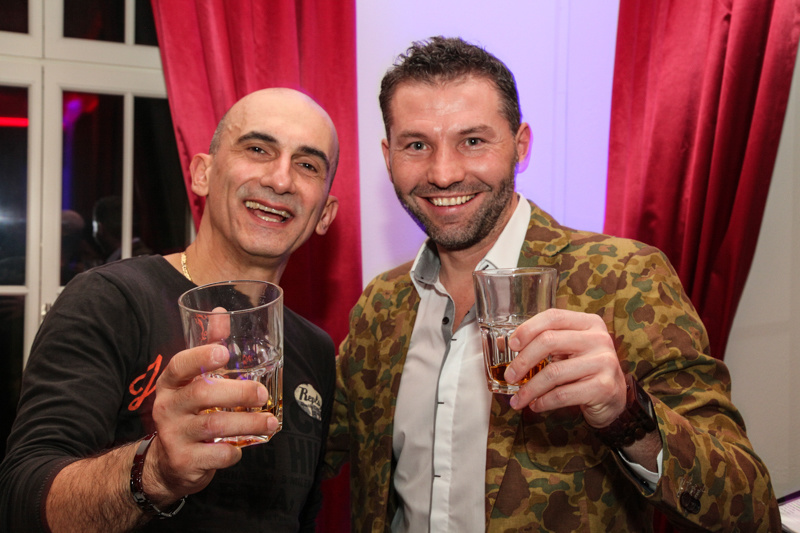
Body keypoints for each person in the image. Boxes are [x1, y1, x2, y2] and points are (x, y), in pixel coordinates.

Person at [325, 37, 780, 532]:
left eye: (473, 141)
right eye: (417, 145)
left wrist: (625, 414)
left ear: (520, 146)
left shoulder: (623, 280)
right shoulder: (380, 306)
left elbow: (750, 509)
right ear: (388, 156)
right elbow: (308, 450)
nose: (444, 173)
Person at [0, 88, 341, 532]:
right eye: (258, 149)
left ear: (324, 214)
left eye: (308, 165)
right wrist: (155, 473)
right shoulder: (111, 300)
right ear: (202, 174)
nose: (280, 180)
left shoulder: (315, 349)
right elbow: (22, 502)